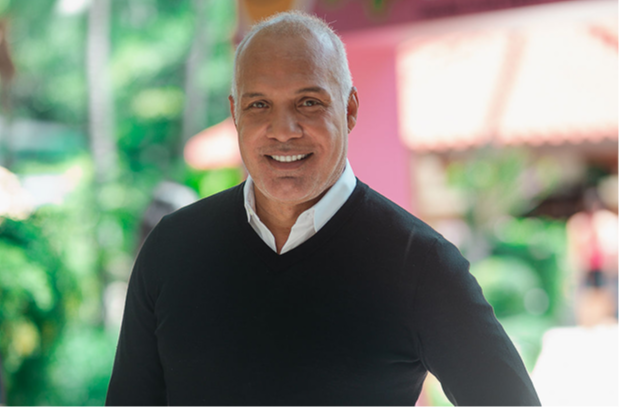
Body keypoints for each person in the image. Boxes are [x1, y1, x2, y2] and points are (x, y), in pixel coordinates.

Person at [105, 11, 541, 406]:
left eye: (308, 102)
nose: (283, 130)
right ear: (236, 113)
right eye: (259, 105)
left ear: (349, 109)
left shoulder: (420, 264)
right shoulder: (172, 248)